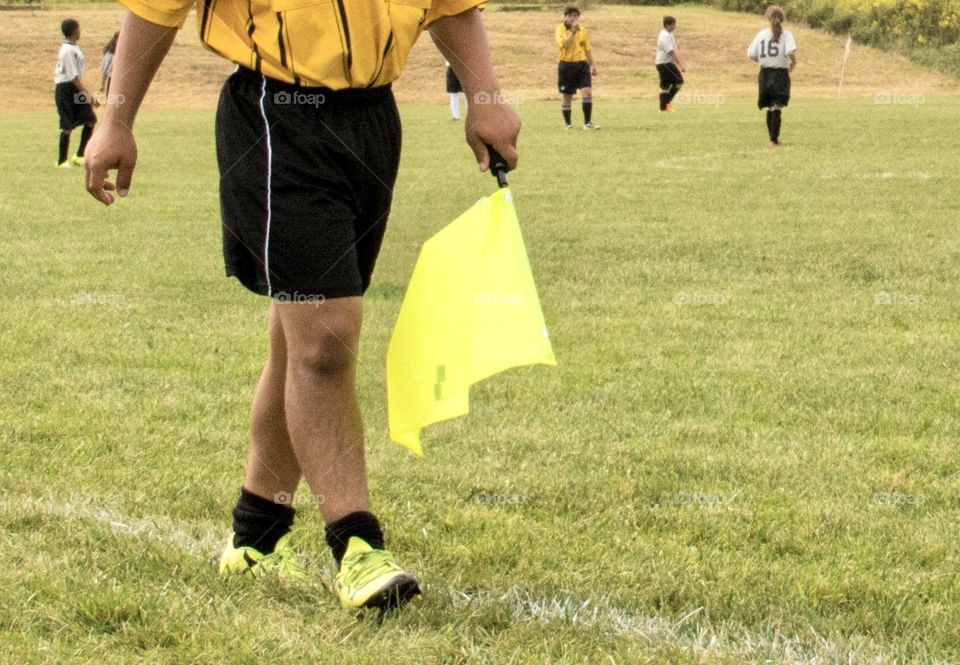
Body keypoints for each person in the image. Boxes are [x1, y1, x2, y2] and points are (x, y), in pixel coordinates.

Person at [84, 1, 520, 611]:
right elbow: (154, 9)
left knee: (298, 337)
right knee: (324, 337)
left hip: (372, 120)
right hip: (275, 119)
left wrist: (484, 95)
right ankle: (357, 546)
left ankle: (256, 538)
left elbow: (451, 7)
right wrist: (115, 120)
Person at [747, 6, 797, 147]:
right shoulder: (786, 34)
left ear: (768, 18)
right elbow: (790, 51)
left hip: (764, 74)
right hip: (779, 74)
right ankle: (774, 140)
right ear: (782, 18)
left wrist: (762, 61)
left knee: (770, 106)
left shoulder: (761, 34)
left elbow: (751, 54)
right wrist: (793, 62)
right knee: (776, 106)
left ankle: (772, 139)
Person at [54, 19, 98, 168]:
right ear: (73, 31)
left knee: (90, 119)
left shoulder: (74, 48)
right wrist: (88, 96)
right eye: (79, 29)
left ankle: (79, 155)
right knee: (67, 125)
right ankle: (61, 161)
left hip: (74, 88)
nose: (80, 31)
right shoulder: (67, 50)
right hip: (66, 88)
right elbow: (73, 77)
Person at [555, 5, 599, 130]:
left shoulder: (583, 30)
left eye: (575, 16)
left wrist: (592, 64)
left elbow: (587, 49)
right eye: (570, 16)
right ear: (566, 17)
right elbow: (564, 45)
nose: (573, 18)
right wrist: (573, 32)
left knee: (587, 93)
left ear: (578, 17)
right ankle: (568, 124)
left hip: (582, 65)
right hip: (566, 66)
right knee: (567, 97)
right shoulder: (560, 29)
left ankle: (587, 123)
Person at [655, 16, 685, 113]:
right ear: (667, 25)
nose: (675, 26)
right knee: (679, 81)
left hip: (661, 63)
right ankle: (666, 104)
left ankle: (662, 109)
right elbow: (671, 52)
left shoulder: (668, 33)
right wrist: (680, 65)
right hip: (665, 63)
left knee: (665, 87)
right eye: (673, 24)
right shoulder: (665, 36)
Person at [100, 31, 119, 98]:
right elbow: (105, 71)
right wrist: (103, 85)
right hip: (113, 81)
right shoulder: (110, 54)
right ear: (115, 40)